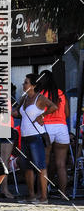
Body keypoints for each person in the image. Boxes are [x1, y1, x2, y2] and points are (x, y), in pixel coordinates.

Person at [18, 72, 57, 204]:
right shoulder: (24, 99)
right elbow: (19, 114)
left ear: (33, 85)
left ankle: (44, 197)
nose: (23, 84)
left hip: (36, 136)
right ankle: (31, 195)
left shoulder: (39, 98)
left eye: (26, 82)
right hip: (24, 136)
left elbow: (54, 106)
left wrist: (43, 116)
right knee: (27, 167)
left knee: (40, 166)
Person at [35, 69, 70, 199]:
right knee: (61, 164)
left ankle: (41, 193)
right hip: (62, 128)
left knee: (43, 163)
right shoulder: (61, 94)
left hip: (47, 127)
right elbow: (66, 113)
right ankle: (63, 194)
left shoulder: (41, 94)